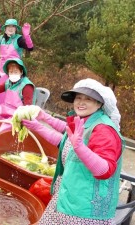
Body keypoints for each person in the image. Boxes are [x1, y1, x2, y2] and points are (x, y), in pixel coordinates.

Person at [21, 78, 124, 224]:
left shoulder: (103, 130)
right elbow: (65, 142)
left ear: (100, 104)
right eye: (78, 98)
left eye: (88, 99)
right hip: (68, 196)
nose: (81, 102)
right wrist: (40, 124)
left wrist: (81, 148)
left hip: (85, 210)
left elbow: (105, 170)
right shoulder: (86, 120)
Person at [0, 58, 36, 132]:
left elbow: (27, 109)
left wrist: (15, 120)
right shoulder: (8, 82)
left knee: (2, 129)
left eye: (16, 72)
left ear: (21, 72)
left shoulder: (26, 86)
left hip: (18, 113)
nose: (13, 74)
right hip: (6, 108)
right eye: (11, 72)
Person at [0, 18, 34, 104]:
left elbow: (30, 48)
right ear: (5, 28)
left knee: (11, 90)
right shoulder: (1, 38)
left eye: (13, 26)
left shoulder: (19, 39)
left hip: (14, 68)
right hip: (2, 69)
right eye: (8, 26)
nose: (11, 28)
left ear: (16, 29)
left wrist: (27, 36)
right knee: (0, 92)